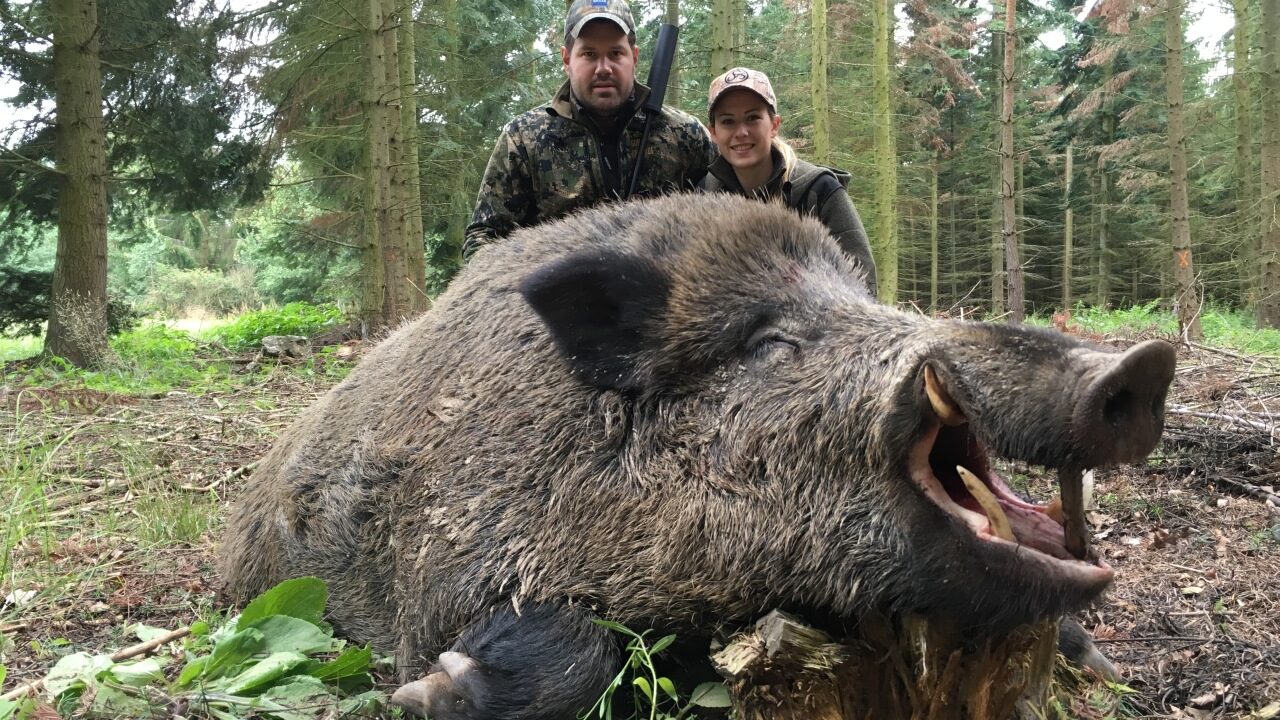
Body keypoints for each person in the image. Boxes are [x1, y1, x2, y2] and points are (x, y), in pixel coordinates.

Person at [463, 0, 717, 260]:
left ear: (635, 57)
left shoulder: (685, 135)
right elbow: (483, 239)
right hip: (557, 294)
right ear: (566, 59)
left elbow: (727, 212)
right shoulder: (524, 140)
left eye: (616, 53)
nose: (604, 68)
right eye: (589, 54)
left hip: (664, 295)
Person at [701, 67, 877, 288]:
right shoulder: (705, 195)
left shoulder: (819, 191)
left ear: (774, 125)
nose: (741, 132)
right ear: (714, 132)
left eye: (753, 118)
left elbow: (863, 283)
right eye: (728, 121)